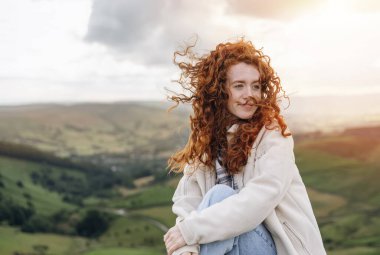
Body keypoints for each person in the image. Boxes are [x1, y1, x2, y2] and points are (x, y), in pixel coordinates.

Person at [163, 38, 326, 255]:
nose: (250, 94)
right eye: (239, 85)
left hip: (278, 249)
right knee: (213, 210)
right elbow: (188, 202)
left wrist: (190, 231)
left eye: (256, 86)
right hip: (231, 248)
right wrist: (186, 247)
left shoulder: (274, 136)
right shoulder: (207, 144)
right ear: (220, 91)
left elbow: (256, 202)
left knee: (219, 196)